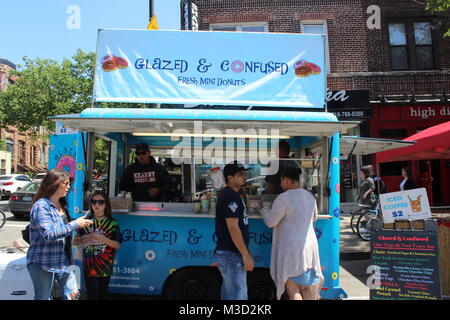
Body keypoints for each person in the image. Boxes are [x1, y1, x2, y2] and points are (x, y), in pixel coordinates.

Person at [26, 168, 93, 300]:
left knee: (72, 294)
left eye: (69, 184)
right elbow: (48, 234)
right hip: (42, 262)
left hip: (62, 261)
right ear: (54, 184)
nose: (68, 187)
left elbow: (65, 230)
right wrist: (74, 224)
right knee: (43, 297)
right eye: (65, 183)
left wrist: (80, 227)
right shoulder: (41, 206)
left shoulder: (62, 205)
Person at [261, 167, 324, 300]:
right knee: (306, 287)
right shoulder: (309, 197)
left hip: (292, 249)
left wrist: (264, 210)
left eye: (281, 181)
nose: (281, 184)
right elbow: (314, 218)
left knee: (293, 290)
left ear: (285, 180)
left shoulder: (284, 198)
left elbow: (271, 221)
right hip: (309, 246)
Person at [215, 161, 254, 300]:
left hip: (231, 253)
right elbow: (233, 228)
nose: (244, 177)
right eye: (239, 174)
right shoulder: (230, 196)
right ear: (230, 178)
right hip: (232, 254)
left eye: (243, 174)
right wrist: (246, 254)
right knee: (237, 295)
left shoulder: (234, 195)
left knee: (232, 294)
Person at [73, 191, 122, 300]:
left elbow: (117, 245)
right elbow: (74, 242)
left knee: (102, 295)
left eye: (101, 202)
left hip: (105, 267)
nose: (97, 205)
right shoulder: (85, 221)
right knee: (92, 296)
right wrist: (85, 238)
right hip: (88, 267)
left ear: (106, 205)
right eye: (94, 201)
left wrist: (105, 240)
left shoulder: (112, 223)